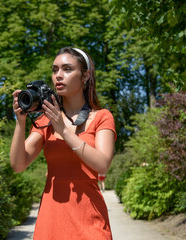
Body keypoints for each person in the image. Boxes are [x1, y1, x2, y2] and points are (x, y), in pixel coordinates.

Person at [10, 47, 116, 239]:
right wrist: (21, 122)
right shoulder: (45, 121)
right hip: (51, 221)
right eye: (55, 69)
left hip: (89, 220)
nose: (59, 75)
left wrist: (64, 131)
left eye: (67, 69)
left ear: (85, 76)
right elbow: (18, 165)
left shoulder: (102, 117)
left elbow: (102, 164)